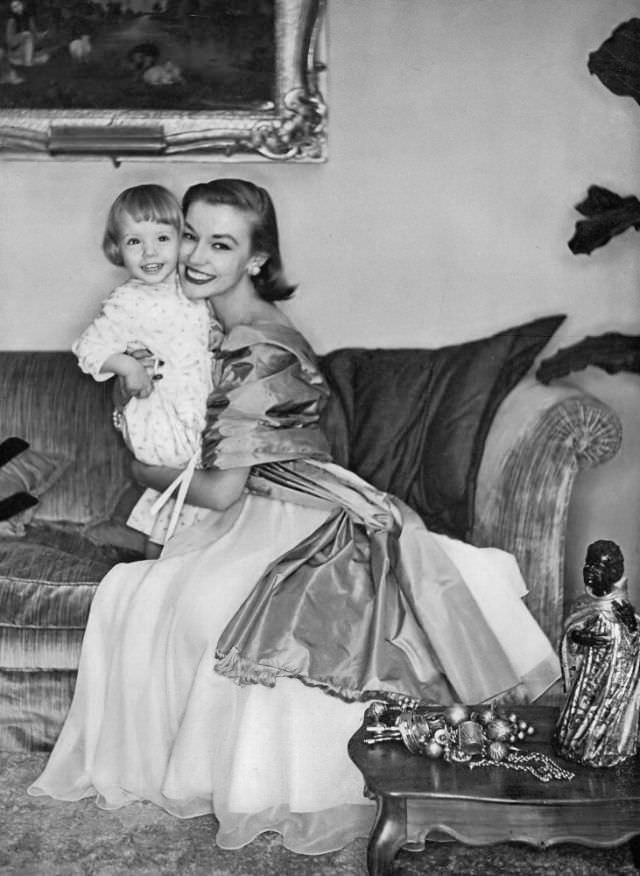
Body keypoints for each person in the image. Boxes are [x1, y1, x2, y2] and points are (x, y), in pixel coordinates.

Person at [29, 178, 561, 854]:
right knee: (150, 594)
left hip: (279, 509)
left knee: (151, 598)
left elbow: (221, 492)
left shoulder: (256, 344)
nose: (193, 255)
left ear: (256, 259)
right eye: (189, 234)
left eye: (221, 244)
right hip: (277, 495)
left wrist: (141, 469)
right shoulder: (214, 323)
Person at [72, 184, 222, 554]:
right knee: (192, 484)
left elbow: (198, 331)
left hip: (197, 411)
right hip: (161, 418)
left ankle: (158, 558)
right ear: (117, 249)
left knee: (191, 500)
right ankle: (162, 561)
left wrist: (215, 333)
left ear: (181, 241)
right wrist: (126, 366)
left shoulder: (191, 289)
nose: (150, 251)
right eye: (135, 242)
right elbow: (87, 348)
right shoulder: (126, 301)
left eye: (161, 237)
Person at [553, 540, 640, 767]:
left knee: (603, 713)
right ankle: (576, 740)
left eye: (598, 567)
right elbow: (572, 633)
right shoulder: (585, 604)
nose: (590, 571)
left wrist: (631, 630)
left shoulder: (622, 610)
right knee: (581, 710)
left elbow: (631, 649)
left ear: (612, 573)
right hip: (587, 680)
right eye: (588, 564)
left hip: (611, 685)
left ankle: (601, 746)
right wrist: (578, 638)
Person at [5, 0, 48, 67]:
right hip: (17, 48)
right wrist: (23, 35)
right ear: (12, 10)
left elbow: (34, 32)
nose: (17, 8)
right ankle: (28, 62)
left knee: (45, 57)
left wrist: (41, 35)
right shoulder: (11, 21)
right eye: (14, 7)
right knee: (27, 35)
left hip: (29, 46)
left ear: (22, 5)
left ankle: (27, 60)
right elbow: (9, 40)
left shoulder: (29, 17)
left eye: (18, 5)